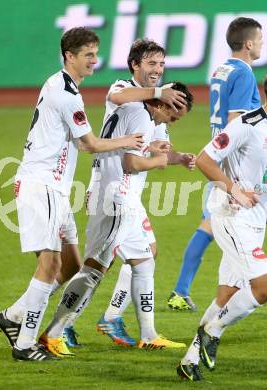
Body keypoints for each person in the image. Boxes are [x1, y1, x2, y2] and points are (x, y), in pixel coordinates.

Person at [0, 27, 147, 362]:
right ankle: (25, 344)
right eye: (88, 54)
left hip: (56, 190)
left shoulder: (62, 86)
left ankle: (13, 316)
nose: (95, 59)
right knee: (49, 265)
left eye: (96, 53)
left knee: (70, 267)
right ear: (69, 56)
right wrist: (128, 141)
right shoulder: (65, 92)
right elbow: (89, 144)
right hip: (41, 185)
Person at [38, 82, 194, 358]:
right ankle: (50, 331)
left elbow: (131, 150)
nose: (171, 122)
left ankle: (148, 335)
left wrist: (171, 156)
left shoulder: (134, 109)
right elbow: (130, 164)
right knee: (94, 269)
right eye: (172, 116)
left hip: (122, 199)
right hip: (116, 199)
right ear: (161, 103)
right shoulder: (140, 114)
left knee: (144, 260)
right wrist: (158, 159)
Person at [93, 39, 195, 347]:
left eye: (162, 64)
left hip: (128, 191)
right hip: (112, 185)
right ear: (135, 65)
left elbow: (151, 149)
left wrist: (174, 156)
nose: (157, 70)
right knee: (99, 262)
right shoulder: (129, 95)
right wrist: (158, 93)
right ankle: (73, 321)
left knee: (141, 254)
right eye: (151, 63)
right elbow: (116, 98)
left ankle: (116, 321)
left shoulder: (154, 111)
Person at [168, 17, 263, 312]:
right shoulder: (245, 73)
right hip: (230, 165)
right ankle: (184, 293)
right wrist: (234, 182)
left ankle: (190, 293)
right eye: (259, 39)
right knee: (212, 226)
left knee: (210, 226)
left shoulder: (221, 69)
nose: (261, 44)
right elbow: (237, 124)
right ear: (248, 43)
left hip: (218, 156)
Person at [177, 97, 267, 381]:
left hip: (255, 221)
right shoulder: (246, 125)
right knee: (263, 288)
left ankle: (189, 361)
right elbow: (205, 159)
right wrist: (233, 189)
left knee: (227, 295)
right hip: (232, 215)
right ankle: (212, 331)